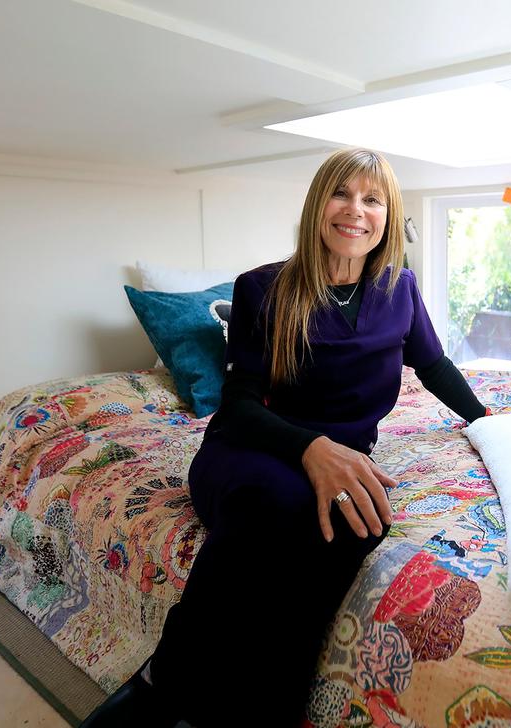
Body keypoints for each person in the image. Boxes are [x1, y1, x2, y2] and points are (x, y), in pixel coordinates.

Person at [81, 148, 488, 727]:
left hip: (346, 458)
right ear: (318, 203)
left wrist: (488, 421)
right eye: (341, 193)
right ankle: (163, 681)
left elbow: (434, 366)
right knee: (277, 506)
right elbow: (239, 406)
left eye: (372, 199)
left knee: (356, 525)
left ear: (388, 215)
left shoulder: (400, 289)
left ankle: (263, 707)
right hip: (252, 449)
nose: (356, 210)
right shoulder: (262, 289)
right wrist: (310, 449)